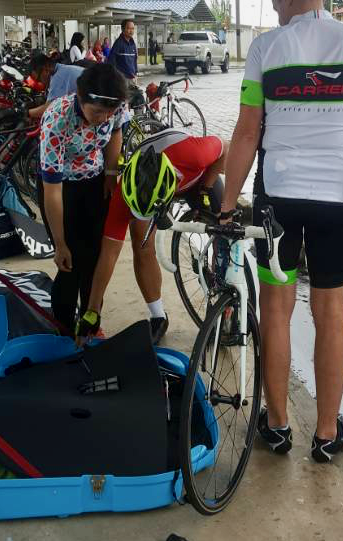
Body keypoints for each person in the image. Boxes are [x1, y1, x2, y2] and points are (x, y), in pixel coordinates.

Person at [220, 0, 343, 463]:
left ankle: (278, 426)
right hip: (337, 199)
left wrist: (225, 200)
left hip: (278, 197)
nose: (275, 12)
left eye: (275, 2)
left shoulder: (267, 48)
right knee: (333, 315)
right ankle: (326, 434)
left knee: (276, 310)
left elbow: (246, 131)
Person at [76, 129, 226, 345]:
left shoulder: (195, 154)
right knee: (142, 245)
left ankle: (227, 300)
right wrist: (92, 311)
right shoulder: (123, 193)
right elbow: (109, 254)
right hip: (151, 182)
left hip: (199, 178)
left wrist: (206, 188)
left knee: (226, 231)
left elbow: (227, 148)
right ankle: (158, 316)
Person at [39, 63, 128, 332]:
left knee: (94, 258)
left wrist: (110, 174)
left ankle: (90, 322)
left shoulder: (115, 107)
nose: (103, 118)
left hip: (94, 179)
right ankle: (64, 327)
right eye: (97, 112)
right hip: (61, 187)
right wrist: (60, 243)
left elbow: (115, 133)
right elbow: (52, 192)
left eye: (109, 112)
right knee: (70, 264)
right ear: (80, 97)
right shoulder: (57, 120)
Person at [108, 19, 138, 84]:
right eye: (128, 28)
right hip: (122, 80)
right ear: (123, 29)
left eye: (133, 28)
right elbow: (111, 61)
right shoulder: (118, 43)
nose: (131, 31)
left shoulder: (133, 43)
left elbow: (134, 60)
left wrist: (135, 73)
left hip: (132, 78)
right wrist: (117, 76)